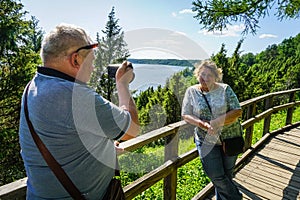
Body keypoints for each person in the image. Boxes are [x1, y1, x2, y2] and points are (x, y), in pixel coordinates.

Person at [19, 23, 139, 199]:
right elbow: (131, 130)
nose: (92, 69)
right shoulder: (74, 96)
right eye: (91, 61)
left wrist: (100, 148)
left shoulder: (34, 86)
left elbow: (62, 137)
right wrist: (122, 84)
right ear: (76, 60)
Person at [181, 60, 242, 200]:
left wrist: (216, 122)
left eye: (209, 75)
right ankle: (236, 197)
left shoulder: (225, 89)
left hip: (230, 138)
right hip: (205, 139)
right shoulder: (192, 92)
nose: (205, 78)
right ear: (197, 75)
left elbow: (237, 111)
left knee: (226, 174)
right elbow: (185, 114)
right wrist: (203, 124)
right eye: (202, 74)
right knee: (216, 175)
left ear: (216, 76)